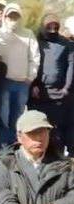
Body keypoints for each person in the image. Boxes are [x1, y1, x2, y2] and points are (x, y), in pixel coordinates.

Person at [0, 3, 40, 149]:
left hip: (22, 84)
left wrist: (30, 77)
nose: (13, 19)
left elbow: (35, 57)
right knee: (2, 118)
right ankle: (1, 151)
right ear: (5, 17)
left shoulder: (28, 34)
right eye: (9, 16)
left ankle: (15, 151)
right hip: (3, 82)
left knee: (17, 120)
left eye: (15, 16)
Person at [29, 14, 74, 153]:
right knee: (40, 129)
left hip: (60, 95)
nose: (53, 30)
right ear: (43, 26)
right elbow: (31, 62)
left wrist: (66, 87)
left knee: (58, 131)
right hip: (38, 95)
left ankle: (59, 161)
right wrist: (33, 84)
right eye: (50, 27)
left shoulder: (66, 44)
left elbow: (71, 65)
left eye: (56, 26)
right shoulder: (35, 41)